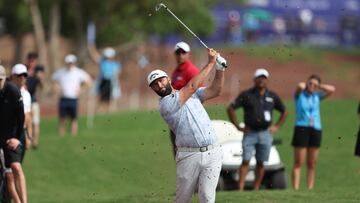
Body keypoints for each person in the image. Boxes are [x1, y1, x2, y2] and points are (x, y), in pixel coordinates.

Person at [148, 48, 225, 203]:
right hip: (189, 155)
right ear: (152, 89)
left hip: (213, 151)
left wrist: (219, 69)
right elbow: (191, 87)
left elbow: (215, 90)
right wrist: (210, 63)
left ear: (168, 79)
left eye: (161, 80)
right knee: (183, 200)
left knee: (207, 198)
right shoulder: (165, 105)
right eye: (155, 84)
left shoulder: (191, 94)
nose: (160, 85)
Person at [227, 68, 288, 191]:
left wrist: (277, 126)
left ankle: (256, 188)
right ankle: (241, 188)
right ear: (254, 80)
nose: (261, 80)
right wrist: (238, 126)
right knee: (246, 160)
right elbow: (231, 108)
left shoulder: (272, 96)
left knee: (261, 162)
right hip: (250, 133)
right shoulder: (246, 95)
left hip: (265, 133)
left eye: (264, 78)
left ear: (267, 80)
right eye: (259, 77)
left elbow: (284, 111)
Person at [291, 74, 335, 190]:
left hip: (316, 128)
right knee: (298, 162)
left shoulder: (317, 96)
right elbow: (299, 86)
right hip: (301, 127)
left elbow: (332, 89)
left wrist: (318, 86)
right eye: (310, 83)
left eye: (314, 84)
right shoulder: (300, 95)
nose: (312, 85)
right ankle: (296, 188)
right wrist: (308, 84)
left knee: (311, 163)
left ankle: (310, 188)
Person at [0, 65, 28, 203]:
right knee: (8, 174)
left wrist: (17, 138)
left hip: (12, 136)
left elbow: (21, 117)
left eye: (0, 79)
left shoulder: (13, 91)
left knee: (16, 167)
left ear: (5, 79)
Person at [169, 41, 200, 156]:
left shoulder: (191, 71)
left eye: (183, 52)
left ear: (188, 54)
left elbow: (199, 94)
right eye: (178, 53)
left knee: (187, 150)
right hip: (176, 117)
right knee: (177, 149)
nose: (180, 55)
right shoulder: (176, 71)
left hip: (188, 116)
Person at [52, 55, 92, 136]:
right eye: (68, 63)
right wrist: (57, 89)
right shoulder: (61, 72)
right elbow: (53, 80)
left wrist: (81, 90)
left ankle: (73, 135)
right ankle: (61, 134)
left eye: (71, 63)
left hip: (73, 98)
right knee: (62, 118)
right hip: (63, 98)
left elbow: (89, 81)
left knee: (73, 118)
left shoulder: (79, 72)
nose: (70, 64)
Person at [88, 45, 121, 112]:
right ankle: (100, 111)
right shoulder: (103, 62)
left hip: (111, 81)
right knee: (101, 97)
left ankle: (109, 111)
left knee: (110, 98)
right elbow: (95, 57)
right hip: (103, 81)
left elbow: (118, 72)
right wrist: (91, 48)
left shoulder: (116, 64)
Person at [26, 52, 45, 149]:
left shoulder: (39, 70)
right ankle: (28, 140)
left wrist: (40, 79)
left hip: (33, 99)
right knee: (26, 121)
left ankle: (35, 141)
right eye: (30, 60)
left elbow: (42, 87)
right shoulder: (23, 70)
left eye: (34, 61)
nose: (32, 63)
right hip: (24, 98)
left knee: (35, 122)